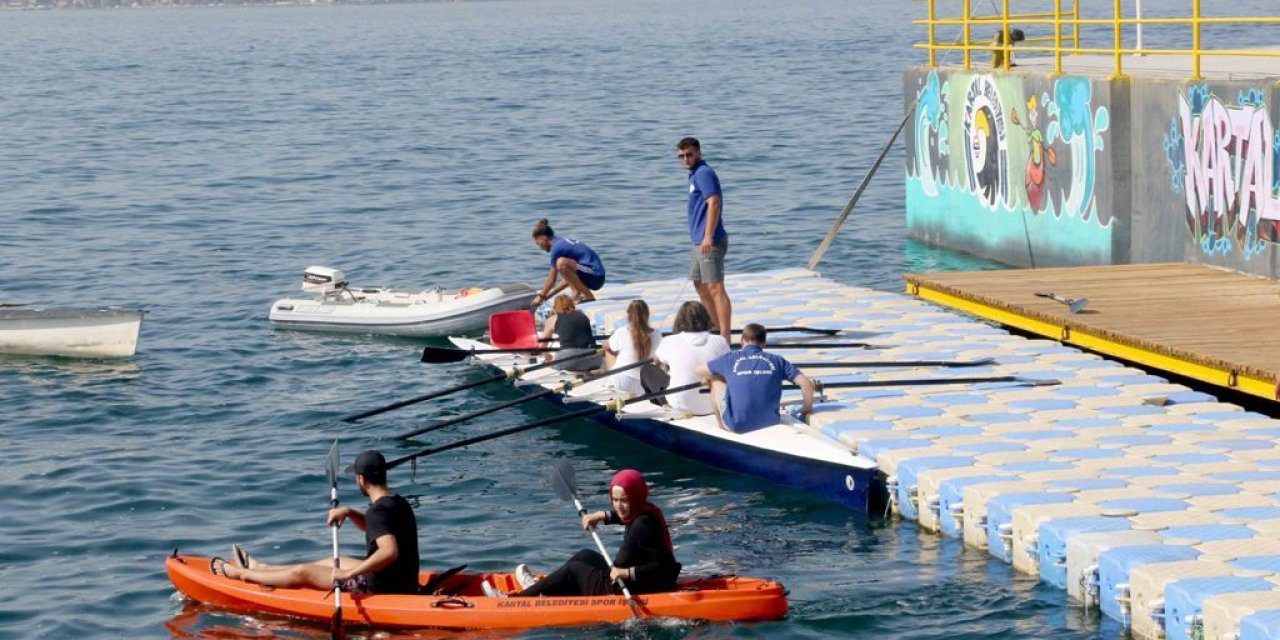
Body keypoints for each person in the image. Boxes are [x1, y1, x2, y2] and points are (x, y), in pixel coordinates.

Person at [214, 450, 421, 595]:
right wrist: (349, 513)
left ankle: (241, 574)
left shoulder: (378, 512)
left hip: (382, 588)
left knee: (303, 572)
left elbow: (389, 551)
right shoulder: (398, 502)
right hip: (401, 581)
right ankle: (262, 568)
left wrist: (348, 574)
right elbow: (377, 529)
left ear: (361, 480)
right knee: (332, 561)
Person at [486, 469, 680, 598]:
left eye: (624, 500)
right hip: (628, 579)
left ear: (636, 497)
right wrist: (601, 515)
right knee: (584, 555)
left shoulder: (643, 525)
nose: (618, 506)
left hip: (624, 587)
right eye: (615, 500)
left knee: (573, 569)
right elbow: (625, 516)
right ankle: (542, 590)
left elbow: (665, 568)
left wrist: (626, 573)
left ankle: (518, 599)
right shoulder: (645, 511)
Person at [694, 323, 816, 433]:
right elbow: (806, 384)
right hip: (771, 422)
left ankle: (722, 427)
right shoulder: (778, 360)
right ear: (764, 344)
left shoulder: (729, 358)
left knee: (715, 379)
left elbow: (698, 370)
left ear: (742, 341)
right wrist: (807, 408)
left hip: (736, 424)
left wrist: (720, 375)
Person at [677, 137, 732, 344]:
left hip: (710, 240)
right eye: (681, 156)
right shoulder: (694, 174)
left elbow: (714, 202)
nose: (685, 159)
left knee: (715, 287)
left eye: (689, 155)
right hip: (698, 241)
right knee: (699, 284)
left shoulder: (703, 173)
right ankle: (714, 327)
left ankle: (725, 337)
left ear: (698, 153)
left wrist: (708, 236)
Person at [652, 301, 730, 415]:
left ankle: (661, 407)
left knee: (647, 370)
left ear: (680, 320)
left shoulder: (669, 341)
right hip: (716, 403)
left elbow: (656, 361)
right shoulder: (720, 341)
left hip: (681, 404)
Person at [531, 218, 606, 305]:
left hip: (595, 276)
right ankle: (576, 294)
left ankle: (588, 296)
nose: (540, 247)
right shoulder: (559, 242)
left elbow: (552, 279)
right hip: (594, 276)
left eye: (538, 243)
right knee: (562, 264)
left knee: (561, 263)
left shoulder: (556, 248)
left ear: (543, 238)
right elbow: (569, 278)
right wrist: (548, 296)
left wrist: (541, 296)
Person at [604, 300, 662, 396]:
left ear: (628, 315)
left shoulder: (621, 332)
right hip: (645, 385)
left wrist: (608, 342)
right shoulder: (657, 333)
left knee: (609, 350)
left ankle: (610, 378)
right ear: (647, 314)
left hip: (622, 382)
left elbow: (606, 345)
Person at [541, 294, 603, 372]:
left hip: (569, 359)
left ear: (555, 306)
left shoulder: (553, 319)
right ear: (572, 304)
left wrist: (546, 354)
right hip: (593, 358)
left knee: (546, 363)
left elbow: (542, 345)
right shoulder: (583, 316)